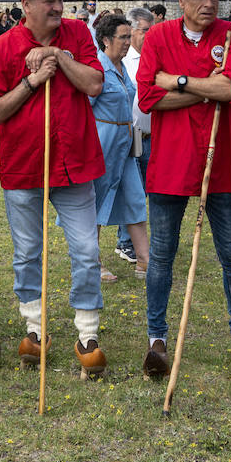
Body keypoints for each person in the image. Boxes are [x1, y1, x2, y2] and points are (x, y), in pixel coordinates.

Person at [0, 0, 107, 379]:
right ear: (26, 6)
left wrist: (59, 58)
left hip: (75, 166)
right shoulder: (1, 48)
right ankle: (35, 328)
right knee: (27, 253)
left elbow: (94, 86)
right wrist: (33, 81)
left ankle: (87, 333)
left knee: (86, 251)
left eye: (60, 0)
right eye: (48, 1)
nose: (57, 7)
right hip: (24, 166)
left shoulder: (79, 35)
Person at [137, 0, 231, 380]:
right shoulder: (157, 37)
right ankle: (157, 338)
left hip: (221, 159)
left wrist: (180, 81)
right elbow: (149, 97)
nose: (209, 5)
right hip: (171, 161)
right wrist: (207, 87)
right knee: (162, 257)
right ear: (181, 1)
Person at [84, 16, 148, 284]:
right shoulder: (96, 68)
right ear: (106, 40)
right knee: (95, 203)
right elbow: (84, 108)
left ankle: (146, 260)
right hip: (103, 143)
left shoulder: (122, 67)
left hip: (126, 143)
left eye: (128, 36)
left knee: (135, 198)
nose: (127, 42)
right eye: (122, 37)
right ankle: (92, 263)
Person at [116, 8, 154, 268]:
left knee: (144, 192)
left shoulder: (154, 57)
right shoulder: (121, 60)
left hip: (152, 136)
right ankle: (125, 242)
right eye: (144, 31)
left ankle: (132, 241)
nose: (148, 36)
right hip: (130, 136)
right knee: (131, 190)